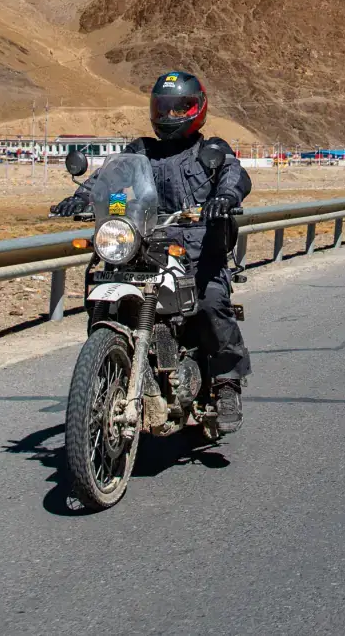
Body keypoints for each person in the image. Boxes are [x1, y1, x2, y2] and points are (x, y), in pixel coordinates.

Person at [126, 71, 253, 431]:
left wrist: (226, 197)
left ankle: (227, 383)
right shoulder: (140, 152)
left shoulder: (210, 150)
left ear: (197, 109)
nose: (169, 116)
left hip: (200, 256)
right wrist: (84, 196)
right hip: (147, 251)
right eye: (163, 108)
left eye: (180, 108)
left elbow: (234, 175)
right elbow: (113, 178)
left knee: (212, 303)